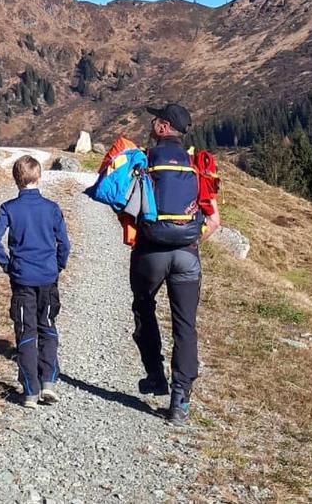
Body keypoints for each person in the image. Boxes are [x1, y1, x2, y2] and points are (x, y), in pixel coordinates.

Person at [131, 102, 221, 424]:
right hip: (187, 256)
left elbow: (127, 208)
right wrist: (192, 241)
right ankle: (179, 401)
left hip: (150, 253)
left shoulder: (144, 160)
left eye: (156, 119)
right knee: (185, 326)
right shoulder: (197, 164)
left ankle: (155, 375)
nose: (152, 122)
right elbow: (214, 222)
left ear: (164, 127)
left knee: (143, 306)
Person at [0, 155, 71, 408]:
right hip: (48, 277)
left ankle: (30, 390)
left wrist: (7, 265)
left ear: (16, 178)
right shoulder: (52, 208)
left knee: (25, 330)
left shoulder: (8, 208)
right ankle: (49, 381)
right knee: (47, 325)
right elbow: (64, 244)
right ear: (39, 176)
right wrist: (58, 265)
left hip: (22, 277)